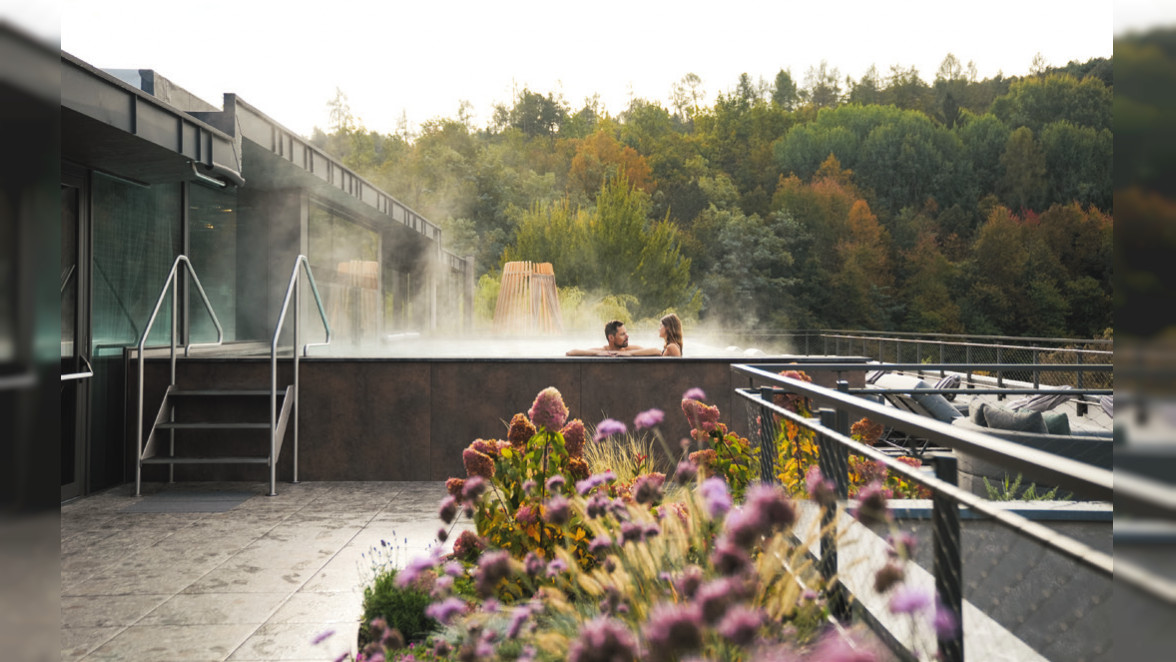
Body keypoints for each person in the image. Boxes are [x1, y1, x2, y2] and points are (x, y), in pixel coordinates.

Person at [566, 320, 648, 356]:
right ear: (611, 338)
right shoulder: (603, 351)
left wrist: (628, 354)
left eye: (626, 333)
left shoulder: (629, 350)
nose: (627, 336)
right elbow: (570, 352)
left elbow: (657, 351)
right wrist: (597, 354)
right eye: (622, 334)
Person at [618, 313, 683, 357]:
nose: (658, 329)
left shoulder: (672, 347)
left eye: (660, 326)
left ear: (667, 328)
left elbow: (678, 369)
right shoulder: (669, 347)